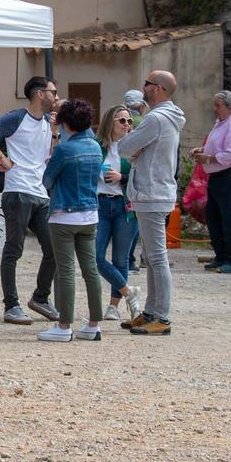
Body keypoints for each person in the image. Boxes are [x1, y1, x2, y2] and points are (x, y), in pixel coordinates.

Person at [115, 70, 186, 336]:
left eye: (146, 83)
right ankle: (150, 312)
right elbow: (133, 149)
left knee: (157, 258)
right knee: (153, 258)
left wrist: (135, 150)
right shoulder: (168, 117)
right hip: (154, 191)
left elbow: (124, 148)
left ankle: (162, 316)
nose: (142, 86)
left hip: (151, 192)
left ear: (157, 88)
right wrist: (137, 151)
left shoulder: (155, 119)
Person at [0, 76, 59, 326]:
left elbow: (47, 155)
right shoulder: (18, 117)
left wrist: (56, 133)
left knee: (54, 249)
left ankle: (40, 297)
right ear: (40, 94)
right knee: (14, 248)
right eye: (53, 92)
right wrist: (0, 156)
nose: (56, 96)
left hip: (40, 192)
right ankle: (11, 305)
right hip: (17, 190)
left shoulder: (49, 123)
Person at [37, 99, 106, 342]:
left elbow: (46, 181)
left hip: (64, 215)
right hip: (90, 214)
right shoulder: (96, 147)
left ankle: (64, 324)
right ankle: (94, 324)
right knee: (91, 270)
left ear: (66, 124)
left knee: (66, 271)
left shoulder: (65, 150)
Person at [192, 90, 231, 274]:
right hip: (220, 175)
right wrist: (203, 150)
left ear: (229, 107)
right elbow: (220, 146)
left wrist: (208, 159)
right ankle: (220, 256)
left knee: (230, 218)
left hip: (230, 174)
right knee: (214, 218)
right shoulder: (222, 123)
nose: (214, 109)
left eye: (218, 105)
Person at [95, 104, 141, 324]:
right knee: (96, 257)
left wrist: (121, 177)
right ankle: (129, 292)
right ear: (110, 122)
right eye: (121, 120)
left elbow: (141, 173)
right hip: (101, 204)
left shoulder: (134, 147)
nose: (126, 125)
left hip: (125, 205)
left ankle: (113, 307)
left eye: (129, 121)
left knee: (121, 258)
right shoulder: (97, 146)